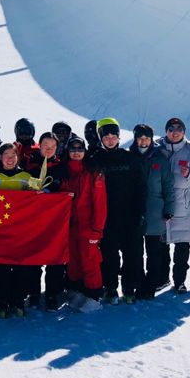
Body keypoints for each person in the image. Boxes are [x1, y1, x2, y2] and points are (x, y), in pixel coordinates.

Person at [91, 118, 146, 305]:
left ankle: (129, 288)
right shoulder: (95, 160)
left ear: (118, 137)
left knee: (132, 255)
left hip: (130, 217)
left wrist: (140, 214)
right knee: (108, 256)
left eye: (113, 135)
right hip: (106, 219)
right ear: (100, 138)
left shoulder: (130, 158)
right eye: (105, 136)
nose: (110, 139)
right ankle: (110, 288)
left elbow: (141, 188)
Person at [157, 118, 190, 293]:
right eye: (171, 128)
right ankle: (162, 279)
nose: (175, 132)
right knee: (161, 247)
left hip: (183, 208)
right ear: (166, 131)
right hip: (161, 207)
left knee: (182, 248)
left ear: (184, 131)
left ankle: (180, 282)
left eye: (179, 128)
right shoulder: (158, 148)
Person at [0, 143, 34, 317]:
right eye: (6, 155)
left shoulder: (27, 176)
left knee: (21, 268)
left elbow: (39, 198)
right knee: (0, 269)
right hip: (0, 233)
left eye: (13, 155)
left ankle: (19, 300)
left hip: (21, 232)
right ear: (0, 158)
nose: (10, 158)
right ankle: (1, 302)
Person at [60, 137, 107, 312]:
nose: (76, 153)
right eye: (73, 150)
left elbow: (100, 203)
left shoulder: (93, 172)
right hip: (70, 226)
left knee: (90, 261)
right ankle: (78, 291)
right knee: (74, 261)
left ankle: (94, 296)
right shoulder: (65, 172)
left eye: (80, 149)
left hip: (89, 226)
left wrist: (97, 229)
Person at [129, 124, 175, 300]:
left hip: (156, 212)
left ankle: (150, 286)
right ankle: (138, 283)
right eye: (140, 138)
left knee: (154, 252)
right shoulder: (129, 157)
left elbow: (168, 187)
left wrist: (169, 209)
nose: (143, 141)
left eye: (147, 138)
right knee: (135, 251)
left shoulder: (160, 159)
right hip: (133, 211)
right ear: (135, 139)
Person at [24, 132, 67, 310]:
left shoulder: (61, 167)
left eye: (52, 146)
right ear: (39, 146)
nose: (48, 149)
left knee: (54, 258)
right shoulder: (29, 165)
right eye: (45, 146)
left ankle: (52, 293)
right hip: (34, 220)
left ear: (57, 148)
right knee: (34, 257)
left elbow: (66, 188)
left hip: (55, 221)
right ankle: (33, 292)